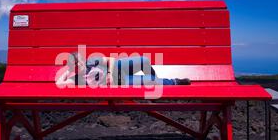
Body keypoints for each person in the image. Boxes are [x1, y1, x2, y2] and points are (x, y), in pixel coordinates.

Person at [55, 52, 191, 87]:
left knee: (144, 60)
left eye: (80, 61)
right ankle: (174, 82)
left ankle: (156, 80)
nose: (80, 65)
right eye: (76, 64)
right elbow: (59, 83)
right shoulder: (76, 79)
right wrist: (68, 71)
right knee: (150, 80)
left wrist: (108, 73)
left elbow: (111, 60)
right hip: (119, 80)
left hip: (116, 68)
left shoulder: (91, 62)